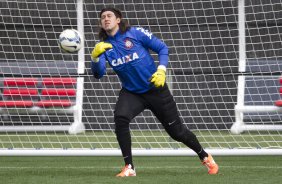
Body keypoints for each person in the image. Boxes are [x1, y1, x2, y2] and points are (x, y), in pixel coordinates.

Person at [91, 7, 219, 177]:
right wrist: (95, 57)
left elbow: (163, 48)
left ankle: (205, 156)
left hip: (155, 88)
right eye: (103, 17)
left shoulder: (135, 33)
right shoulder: (103, 46)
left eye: (109, 16)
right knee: (121, 117)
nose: (106, 19)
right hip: (132, 92)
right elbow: (98, 74)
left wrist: (161, 70)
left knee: (177, 132)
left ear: (118, 20)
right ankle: (129, 167)